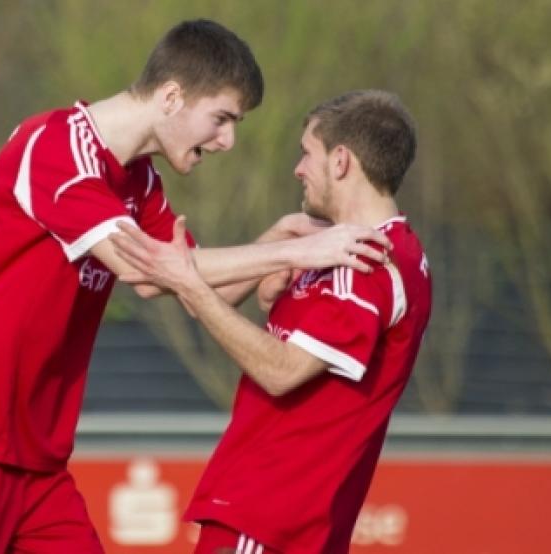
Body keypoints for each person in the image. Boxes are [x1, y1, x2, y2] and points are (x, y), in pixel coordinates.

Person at [0, 20, 392, 554]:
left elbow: (183, 281)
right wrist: (294, 252)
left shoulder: (139, 182)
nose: (227, 140)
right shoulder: (54, 145)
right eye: (222, 118)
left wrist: (272, 241)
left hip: (33, 461)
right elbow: (144, 266)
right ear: (171, 97)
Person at [111, 89, 432, 553]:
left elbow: (282, 371)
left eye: (307, 153)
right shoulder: (359, 249)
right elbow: (215, 300)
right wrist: (275, 248)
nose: (299, 169)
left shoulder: (365, 262)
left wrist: (188, 281)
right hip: (279, 518)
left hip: (271, 517)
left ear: (341, 161)